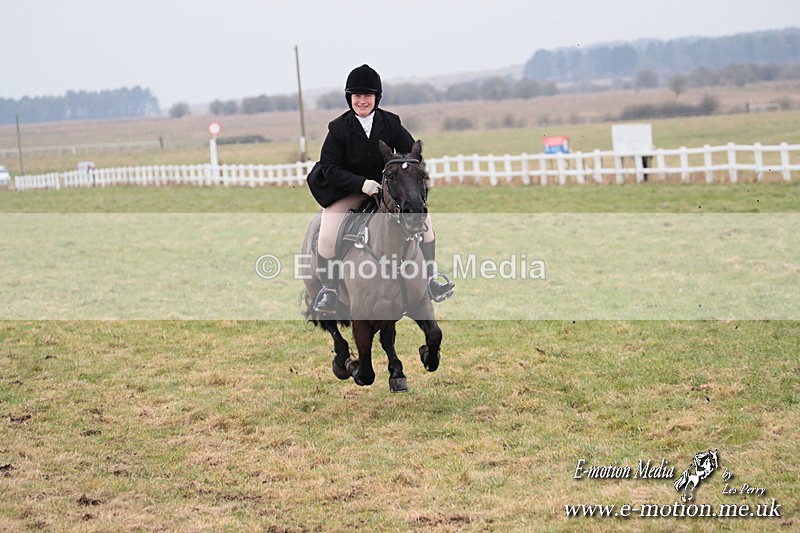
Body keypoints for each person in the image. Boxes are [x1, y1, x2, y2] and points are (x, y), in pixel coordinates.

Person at [308, 64, 454, 314]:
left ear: (376, 98)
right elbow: (329, 168)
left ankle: (431, 279)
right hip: (349, 191)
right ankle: (331, 289)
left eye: (367, 96)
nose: (362, 101)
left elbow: (412, 155)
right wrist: (361, 184)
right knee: (327, 238)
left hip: (388, 191)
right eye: (357, 96)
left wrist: (402, 178)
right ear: (349, 98)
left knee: (427, 227)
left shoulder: (390, 122)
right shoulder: (338, 128)